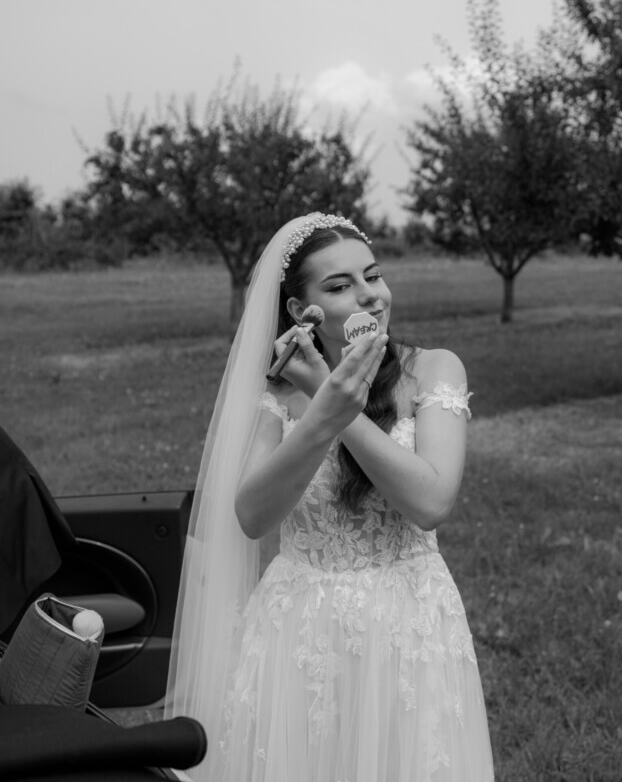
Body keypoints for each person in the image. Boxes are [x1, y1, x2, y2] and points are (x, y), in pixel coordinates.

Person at [165, 213, 494, 782]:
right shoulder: (277, 395)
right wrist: (319, 405)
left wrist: (328, 394)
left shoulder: (430, 370)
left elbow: (432, 501)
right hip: (299, 629)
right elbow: (252, 515)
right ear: (300, 310)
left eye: (373, 275)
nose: (370, 295)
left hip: (408, 620)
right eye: (340, 286)